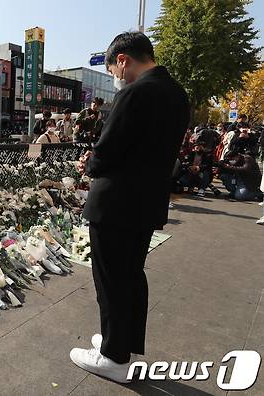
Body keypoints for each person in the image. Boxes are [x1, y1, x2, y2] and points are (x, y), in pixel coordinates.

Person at [73, 32, 190, 383]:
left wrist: (88, 163)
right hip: (146, 202)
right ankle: (122, 342)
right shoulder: (177, 94)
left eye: (112, 69)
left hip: (115, 204)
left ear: (122, 60)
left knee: (111, 279)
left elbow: (108, 151)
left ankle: (113, 357)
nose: (114, 76)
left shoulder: (135, 92)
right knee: (131, 277)